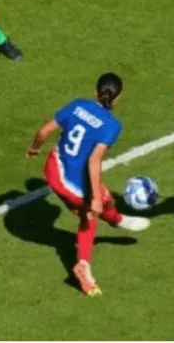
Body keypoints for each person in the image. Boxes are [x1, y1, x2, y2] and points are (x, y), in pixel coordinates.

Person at [26, 72, 150, 296]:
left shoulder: (77, 105)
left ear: (96, 91)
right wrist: (93, 198)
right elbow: (94, 161)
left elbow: (43, 131)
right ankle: (83, 265)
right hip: (71, 182)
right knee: (94, 210)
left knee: (96, 204)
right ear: (118, 98)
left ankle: (117, 220)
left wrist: (34, 148)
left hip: (53, 169)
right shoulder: (111, 125)